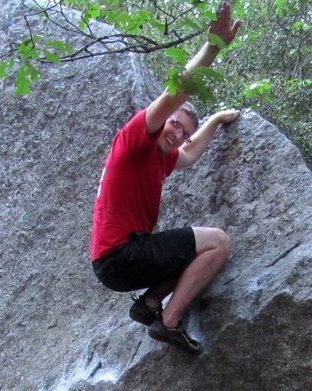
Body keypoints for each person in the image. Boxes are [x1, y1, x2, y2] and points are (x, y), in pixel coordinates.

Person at [89, 2, 242, 356]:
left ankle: (149, 305)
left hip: (115, 262)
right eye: (174, 123)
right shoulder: (134, 139)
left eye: (183, 131)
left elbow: (189, 154)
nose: (177, 134)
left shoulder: (162, 158)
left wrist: (216, 120)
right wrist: (213, 47)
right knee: (217, 242)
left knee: (192, 252)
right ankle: (168, 321)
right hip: (121, 254)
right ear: (162, 117)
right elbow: (180, 89)